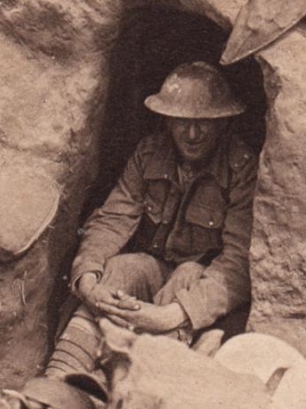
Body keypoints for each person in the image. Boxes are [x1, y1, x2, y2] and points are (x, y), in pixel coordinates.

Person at [23, 61, 257, 406]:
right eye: (182, 122)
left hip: (197, 292)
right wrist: (87, 278)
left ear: (222, 123)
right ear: (167, 120)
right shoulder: (150, 153)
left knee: (187, 274)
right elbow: (113, 219)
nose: (192, 134)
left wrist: (172, 314)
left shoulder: (240, 167)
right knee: (125, 267)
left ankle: (128, 389)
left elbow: (237, 263)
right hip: (152, 271)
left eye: (204, 123)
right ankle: (57, 385)